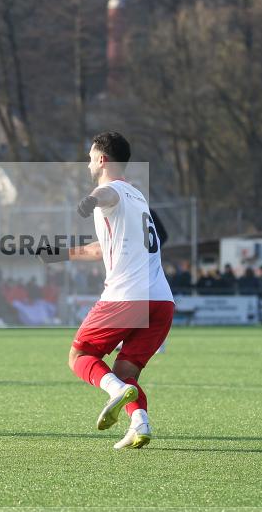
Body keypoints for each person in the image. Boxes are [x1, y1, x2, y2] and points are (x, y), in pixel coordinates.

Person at [40, 131, 174, 450]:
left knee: (80, 356)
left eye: (90, 157)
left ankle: (115, 391)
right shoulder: (138, 197)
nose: (88, 162)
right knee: (125, 371)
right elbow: (103, 248)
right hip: (161, 302)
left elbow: (105, 196)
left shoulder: (109, 190)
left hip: (127, 298)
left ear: (102, 159)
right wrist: (61, 253)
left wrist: (91, 200)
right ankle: (140, 425)